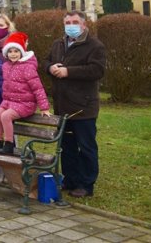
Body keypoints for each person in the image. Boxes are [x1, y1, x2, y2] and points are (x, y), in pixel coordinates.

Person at [44, 10, 106, 198]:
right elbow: (46, 61)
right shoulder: (58, 43)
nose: (71, 25)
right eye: (68, 22)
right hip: (63, 106)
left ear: (84, 25)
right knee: (67, 146)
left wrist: (68, 72)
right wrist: (50, 67)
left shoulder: (94, 46)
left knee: (86, 147)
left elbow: (97, 70)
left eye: (75, 22)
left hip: (83, 107)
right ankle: (70, 180)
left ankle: (86, 185)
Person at [0, 32, 51, 155]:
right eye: (10, 51)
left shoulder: (27, 67)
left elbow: (38, 88)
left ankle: (9, 144)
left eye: (16, 51)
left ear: (21, 52)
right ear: (6, 53)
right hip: (9, 101)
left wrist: (44, 107)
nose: (13, 54)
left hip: (25, 103)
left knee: (5, 116)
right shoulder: (5, 66)